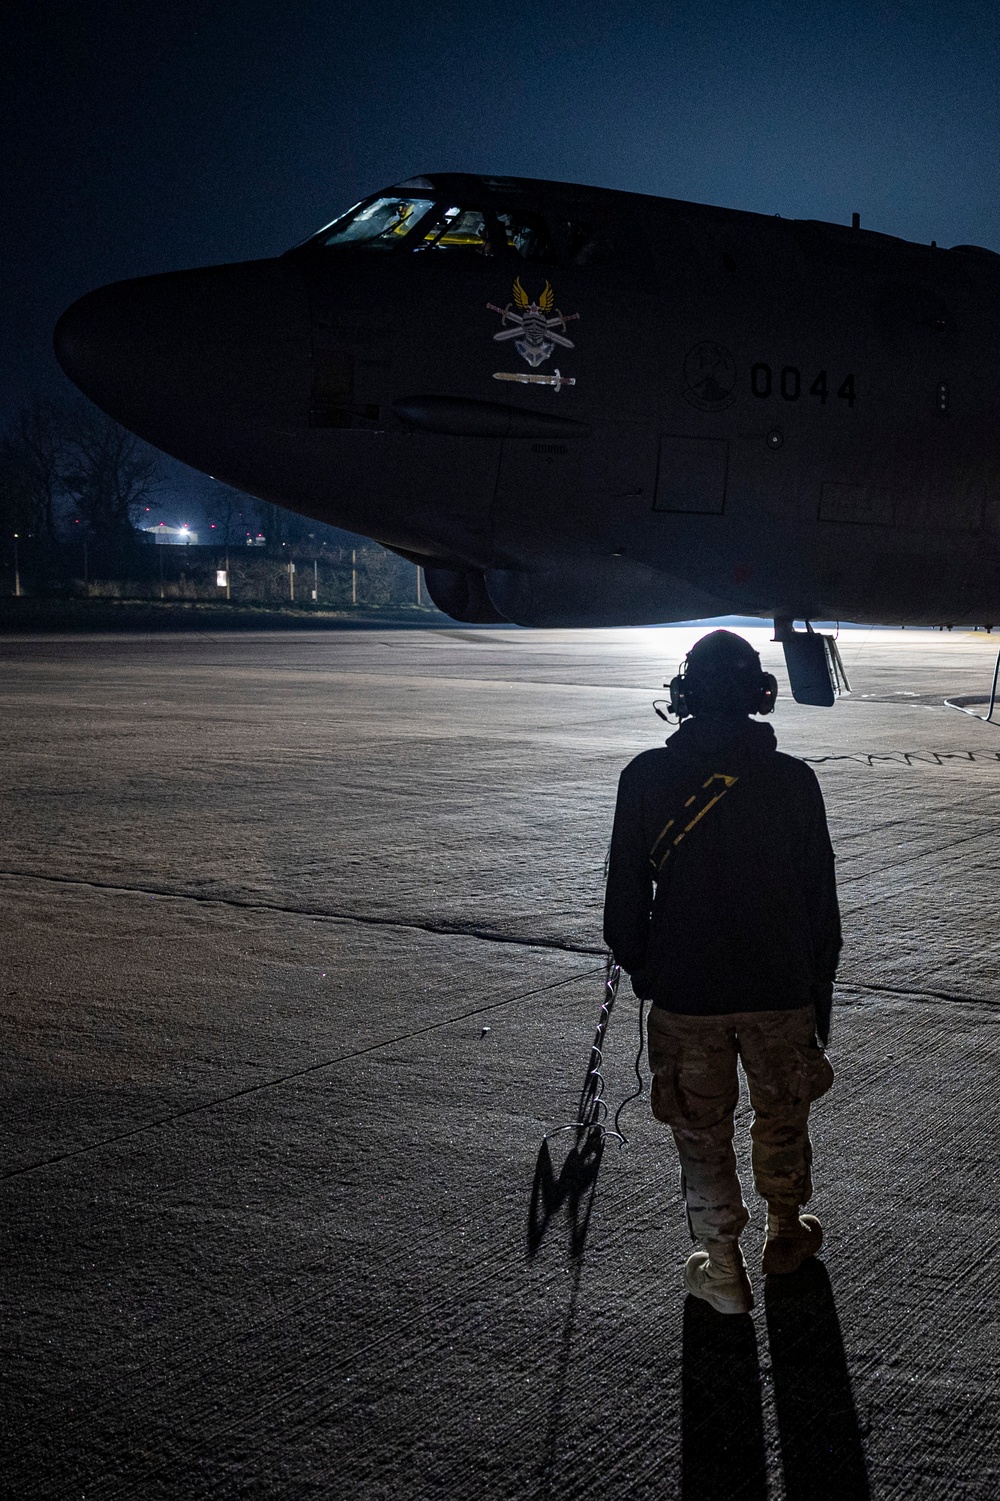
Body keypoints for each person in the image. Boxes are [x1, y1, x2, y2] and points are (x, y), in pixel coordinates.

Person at [604, 629, 840, 1315]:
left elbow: (624, 910)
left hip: (687, 996)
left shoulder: (643, 777)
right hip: (779, 992)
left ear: (683, 694)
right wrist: (812, 1003)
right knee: (783, 1117)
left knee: (702, 1131)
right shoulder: (795, 781)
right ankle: (784, 1232)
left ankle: (723, 1266)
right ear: (760, 695)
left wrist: (658, 979)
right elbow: (820, 908)